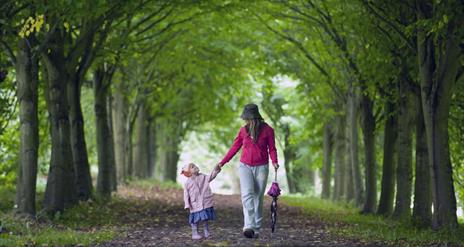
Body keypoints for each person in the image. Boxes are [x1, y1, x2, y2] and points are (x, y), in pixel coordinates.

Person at [214, 103, 279, 238]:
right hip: (245, 166)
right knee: (247, 194)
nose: (245, 120)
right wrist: (222, 162)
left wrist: (275, 161)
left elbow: (272, 148)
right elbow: (234, 147)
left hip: (262, 166)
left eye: (247, 118)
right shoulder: (243, 131)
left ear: (253, 118)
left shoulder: (268, 130)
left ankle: (256, 228)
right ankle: (249, 225)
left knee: (258, 197)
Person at [182, 163, 219, 240]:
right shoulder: (187, 183)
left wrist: (216, 170)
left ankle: (206, 231)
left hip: (204, 201)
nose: (195, 167)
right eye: (192, 167)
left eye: (194, 165)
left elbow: (211, 177)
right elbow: (186, 194)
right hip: (194, 204)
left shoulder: (203, 176)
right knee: (195, 219)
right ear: (189, 172)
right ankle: (195, 233)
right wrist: (187, 204)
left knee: (205, 218)